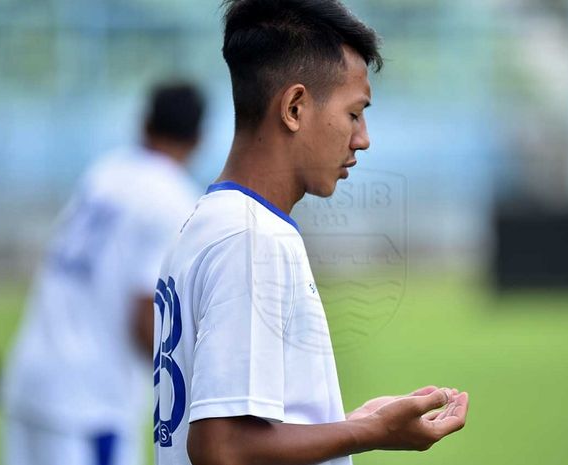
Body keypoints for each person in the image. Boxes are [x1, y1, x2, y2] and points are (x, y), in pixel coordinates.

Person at [153, 1, 469, 465]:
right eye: (355, 113)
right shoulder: (251, 239)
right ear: (295, 107)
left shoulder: (210, 220)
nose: (363, 138)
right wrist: (369, 431)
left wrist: (348, 422)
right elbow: (223, 448)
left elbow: (244, 431)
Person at [1, 82, 205, 465]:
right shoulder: (173, 199)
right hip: (87, 402)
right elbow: (145, 317)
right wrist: (197, 385)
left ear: (144, 123)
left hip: (32, 378)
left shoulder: (106, 171)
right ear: (197, 139)